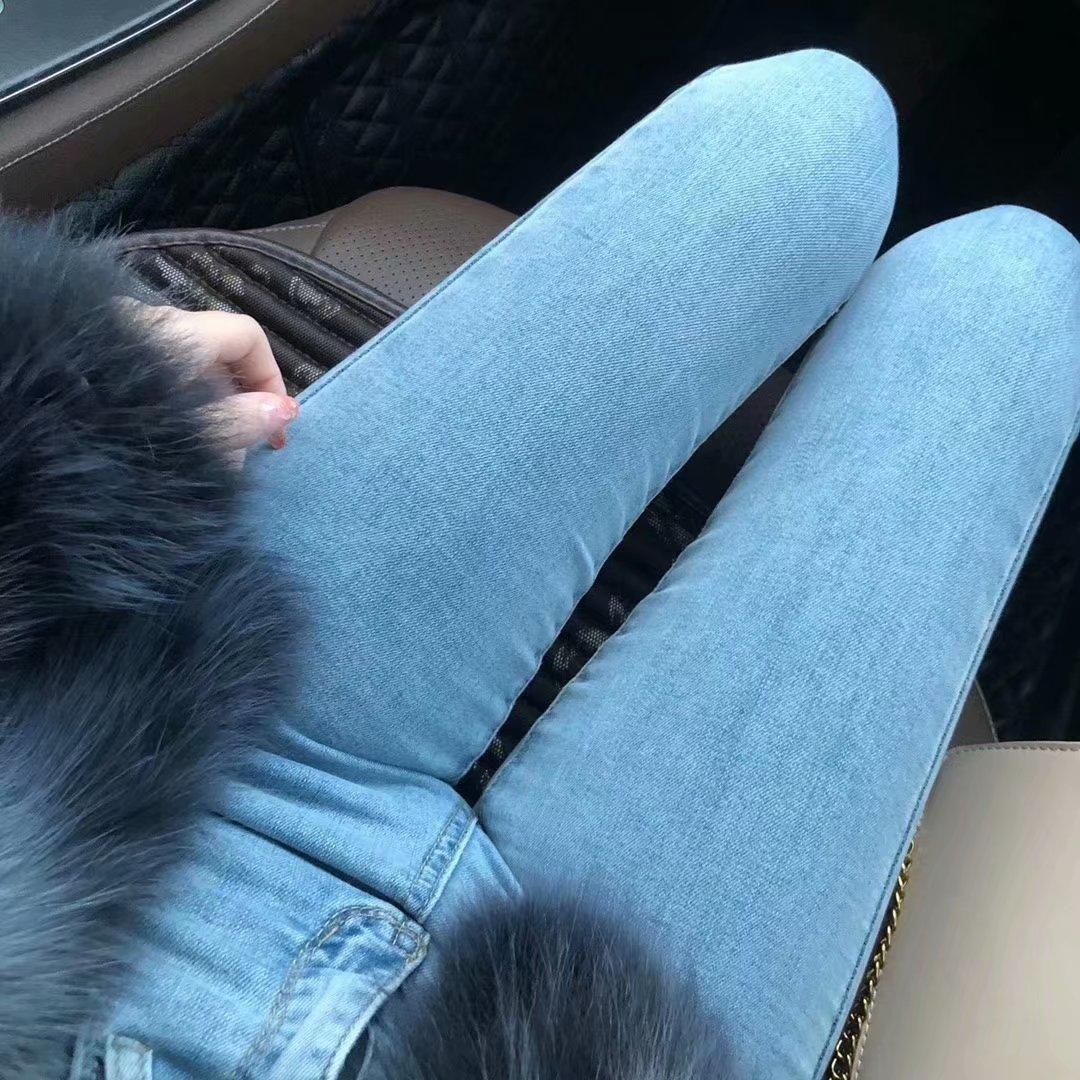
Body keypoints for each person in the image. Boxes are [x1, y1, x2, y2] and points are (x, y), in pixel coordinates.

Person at [0, 47, 1077, 1080]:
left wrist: (50, 405)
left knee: (811, 128)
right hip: (600, 1044)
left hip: (122, 736)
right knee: (1015, 290)